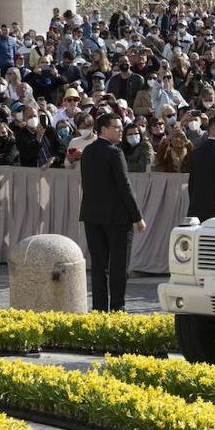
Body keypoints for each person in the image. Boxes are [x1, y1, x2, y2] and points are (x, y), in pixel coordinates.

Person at [78, 113, 146, 312]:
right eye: (116, 127)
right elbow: (124, 186)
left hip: (92, 215)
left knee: (99, 266)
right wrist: (137, 217)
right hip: (117, 218)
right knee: (118, 266)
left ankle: (99, 309)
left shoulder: (88, 151)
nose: (120, 131)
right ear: (104, 129)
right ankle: (117, 309)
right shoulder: (114, 153)